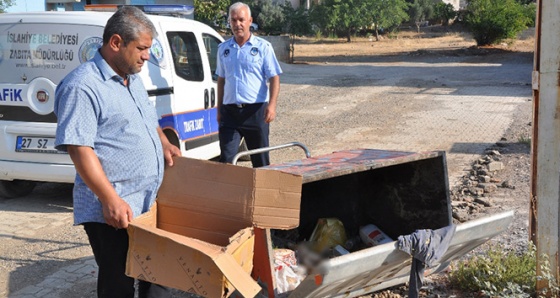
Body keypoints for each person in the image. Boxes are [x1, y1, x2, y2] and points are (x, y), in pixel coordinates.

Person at [54, 6, 181, 298]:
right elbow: (79, 148)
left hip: (146, 202)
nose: (147, 55)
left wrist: (162, 142)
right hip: (112, 211)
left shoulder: (131, 76)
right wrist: (109, 199)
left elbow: (148, 118)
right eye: (142, 48)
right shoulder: (82, 86)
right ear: (115, 43)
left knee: (157, 276)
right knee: (118, 285)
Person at [216, 2, 282, 168]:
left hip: (256, 111)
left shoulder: (263, 47)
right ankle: (231, 194)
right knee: (227, 161)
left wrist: (272, 105)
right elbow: (221, 80)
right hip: (230, 112)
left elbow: (274, 77)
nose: (237, 24)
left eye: (241, 20)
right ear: (229, 22)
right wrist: (219, 109)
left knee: (260, 162)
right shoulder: (223, 49)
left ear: (250, 21)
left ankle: (263, 193)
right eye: (233, 20)